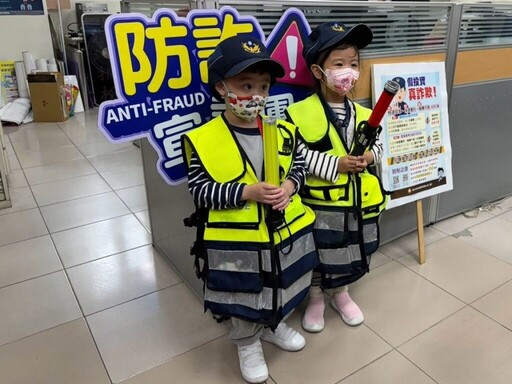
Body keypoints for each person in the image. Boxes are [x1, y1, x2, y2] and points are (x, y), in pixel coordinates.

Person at [181, 35, 318, 384]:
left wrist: (289, 187)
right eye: (246, 84)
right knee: (244, 290)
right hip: (237, 242)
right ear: (222, 88)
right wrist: (246, 192)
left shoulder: (283, 130)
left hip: (279, 233)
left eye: (263, 85)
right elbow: (200, 189)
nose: (256, 94)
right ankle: (247, 341)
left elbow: (299, 168)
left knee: (280, 280)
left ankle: (273, 324)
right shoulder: (205, 138)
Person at [285, 22, 387, 332]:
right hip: (319, 204)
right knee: (320, 250)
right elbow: (295, 157)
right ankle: (316, 297)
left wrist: (368, 157)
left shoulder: (364, 114)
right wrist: (336, 165)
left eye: (353, 64)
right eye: (338, 64)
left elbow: (380, 146)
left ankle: (341, 294)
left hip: (356, 202)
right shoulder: (298, 113)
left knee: (349, 247)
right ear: (318, 71)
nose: (348, 72)